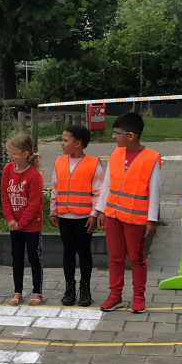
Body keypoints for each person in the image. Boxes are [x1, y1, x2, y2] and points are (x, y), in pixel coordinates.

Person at [96, 112, 161, 314]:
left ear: (131, 136)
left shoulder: (151, 158)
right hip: (113, 216)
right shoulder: (116, 153)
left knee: (136, 259)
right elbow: (107, 184)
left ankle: (138, 297)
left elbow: (155, 190)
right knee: (115, 258)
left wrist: (152, 219)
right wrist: (100, 210)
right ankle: (115, 295)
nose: (114, 137)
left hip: (135, 219)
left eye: (117, 133)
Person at [50, 125, 103, 307]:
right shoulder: (59, 161)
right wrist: (53, 210)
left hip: (84, 218)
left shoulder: (93, 163)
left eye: (65, 140)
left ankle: (85, 289)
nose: (61, 143)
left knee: (84, 253)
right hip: (65, 216)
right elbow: (55, 188)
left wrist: (94, 214)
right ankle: (70, 289)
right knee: (68, 253)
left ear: (78, 144)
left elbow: (99, 192)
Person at [1, 133, 44, 306]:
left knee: (34, 257)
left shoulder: (34, 175)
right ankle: (17, 291)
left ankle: (37, 292)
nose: (10, 157)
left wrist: (21, 223)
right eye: (9, 153)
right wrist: (10, 219)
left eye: (14, 154)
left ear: (26, 154)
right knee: (16, 257)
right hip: (14, 225)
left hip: (31, 225)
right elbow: (4, 196)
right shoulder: (7, 169)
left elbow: (34, 204)